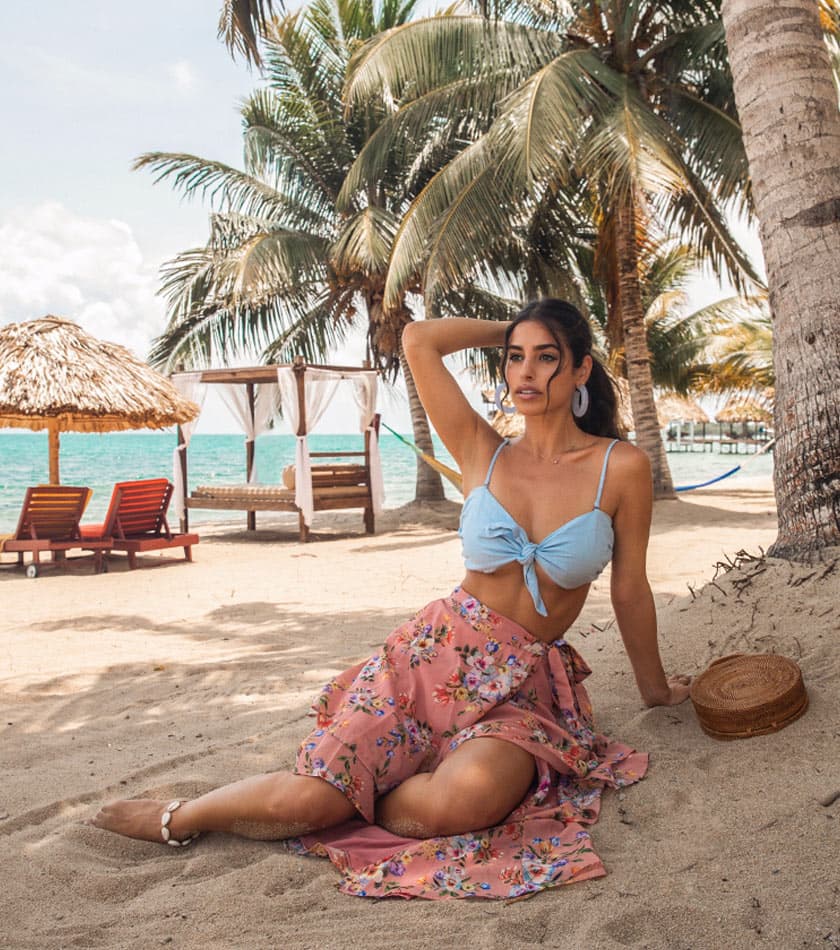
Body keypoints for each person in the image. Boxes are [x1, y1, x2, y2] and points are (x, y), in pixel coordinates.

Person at [92, 299, 690, 900]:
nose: (526, 373)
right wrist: (508, 327)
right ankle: (185, 814)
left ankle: (364, 790)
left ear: (582, 370)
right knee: (310, 798)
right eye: (515, 358)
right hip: (432, 658)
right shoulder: (483, 449)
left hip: (520, 684)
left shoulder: (622, 467)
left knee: (465, 801)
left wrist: (655, 690)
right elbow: (419, 338)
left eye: (546, 358)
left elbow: (629, 589)